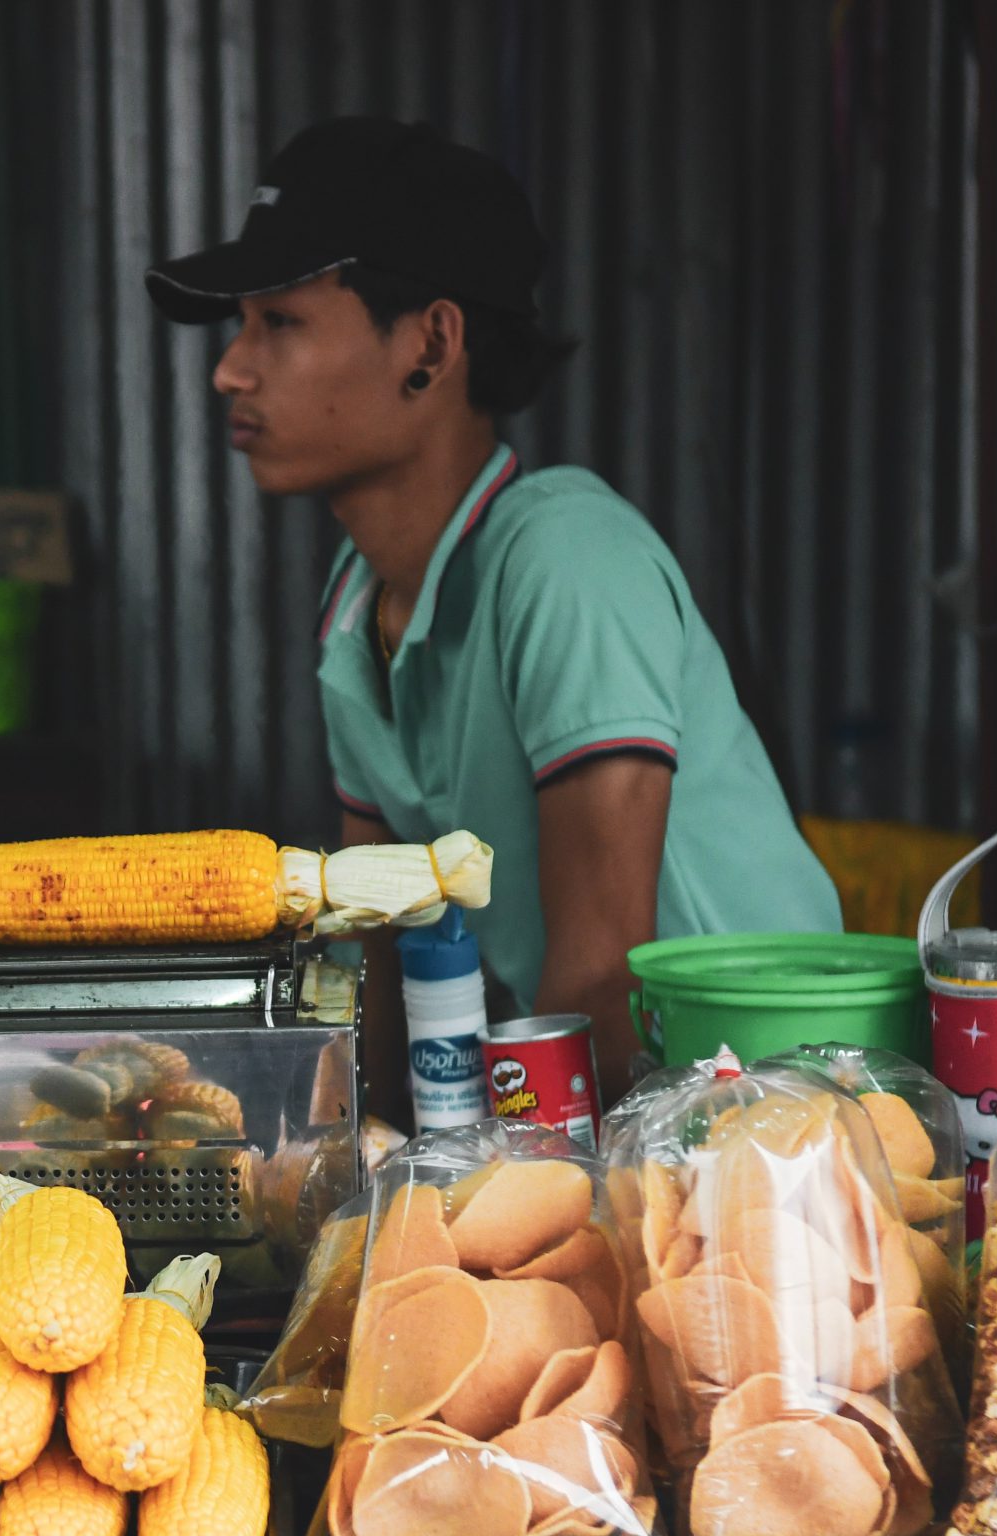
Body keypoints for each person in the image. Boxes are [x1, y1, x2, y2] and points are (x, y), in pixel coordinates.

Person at [147, 118, 839, 1107]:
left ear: (430, 341)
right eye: (239, 328)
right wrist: (348, 1166)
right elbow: (376, 952)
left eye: (281, 324)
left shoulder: (565, 557)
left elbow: (603, 980)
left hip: (776, 1112)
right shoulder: (356, 612)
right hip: (620, 1109)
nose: (231, 369)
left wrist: (493, 1185)